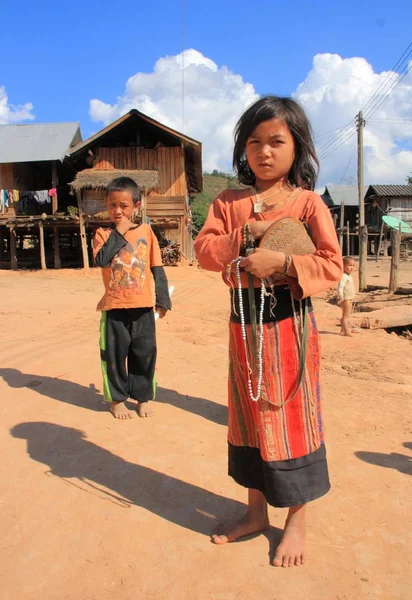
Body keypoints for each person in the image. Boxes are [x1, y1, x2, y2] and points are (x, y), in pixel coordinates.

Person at [194, 96, 342, 567]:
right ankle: (255, 513)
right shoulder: (226, 202)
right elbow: (203, 250)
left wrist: (281, 261)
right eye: (254, 142)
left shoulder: (307, 202)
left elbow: (332, 265)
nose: (264, 151)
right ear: (243, 149)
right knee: (248, 418)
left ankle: (296, 520)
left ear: (297, 147)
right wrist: (244, 237)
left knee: (292, 419)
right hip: (243, 327)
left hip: (289, 327)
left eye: (276, 141)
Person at [93, 177, 171, 420]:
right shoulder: (103, 234)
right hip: (114, 308)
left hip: (143, 308)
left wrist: (163, 299)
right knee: (114, 356)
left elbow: (156, 267)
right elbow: (102, 259)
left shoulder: (147, 232)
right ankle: (117, 400)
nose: (118, 211)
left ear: (136, 206)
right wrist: (119, 232)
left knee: (144, 354)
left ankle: (143, 398)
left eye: (124, 206)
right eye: (112, 205)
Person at [337, 256, 356, 336]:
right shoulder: (343, 276)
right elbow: (340, 287)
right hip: (346, 299)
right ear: (343, 266)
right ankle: (347, 331)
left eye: (353, 265)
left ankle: (342, 331)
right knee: (346, 316)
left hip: (349, 298)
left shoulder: (349, 275)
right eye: (349, 265)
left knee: (345, 315)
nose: (352, 267)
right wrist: (341, 297)